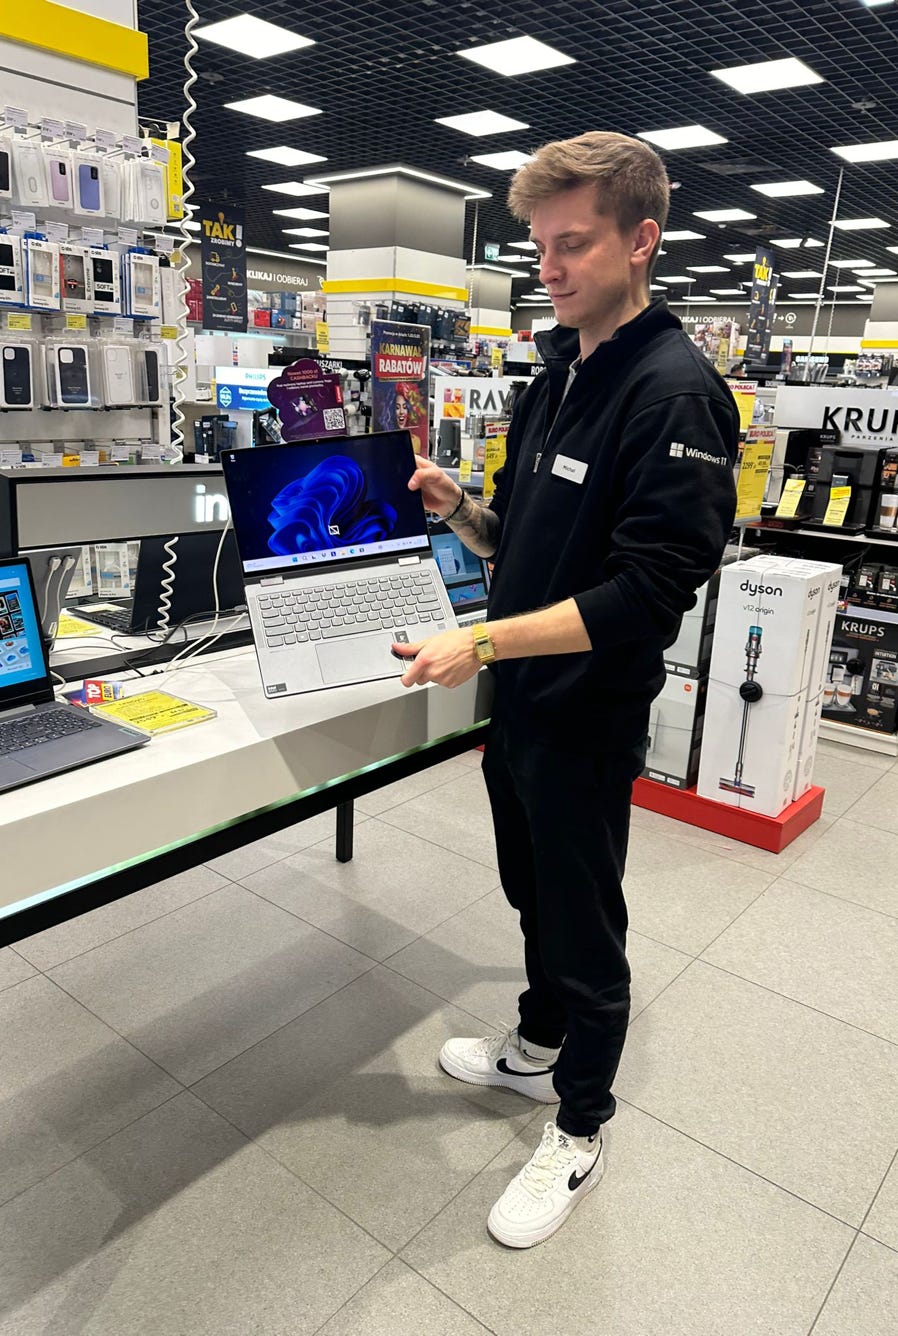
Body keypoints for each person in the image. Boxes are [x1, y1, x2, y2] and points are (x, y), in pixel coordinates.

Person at [392, 130, 739, 1249]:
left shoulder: (674, 394)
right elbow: (524, 547)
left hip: (585, 712)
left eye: (572, 243)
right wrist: (457, 508)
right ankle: (534, 1042)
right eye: (538, 244)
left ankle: (579, 1124)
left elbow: (646, 591)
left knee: (584, 918)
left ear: (642, 241)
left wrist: (485, 647)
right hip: (522, 703)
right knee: (530, 886)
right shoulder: (558, 374)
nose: (548, 264)